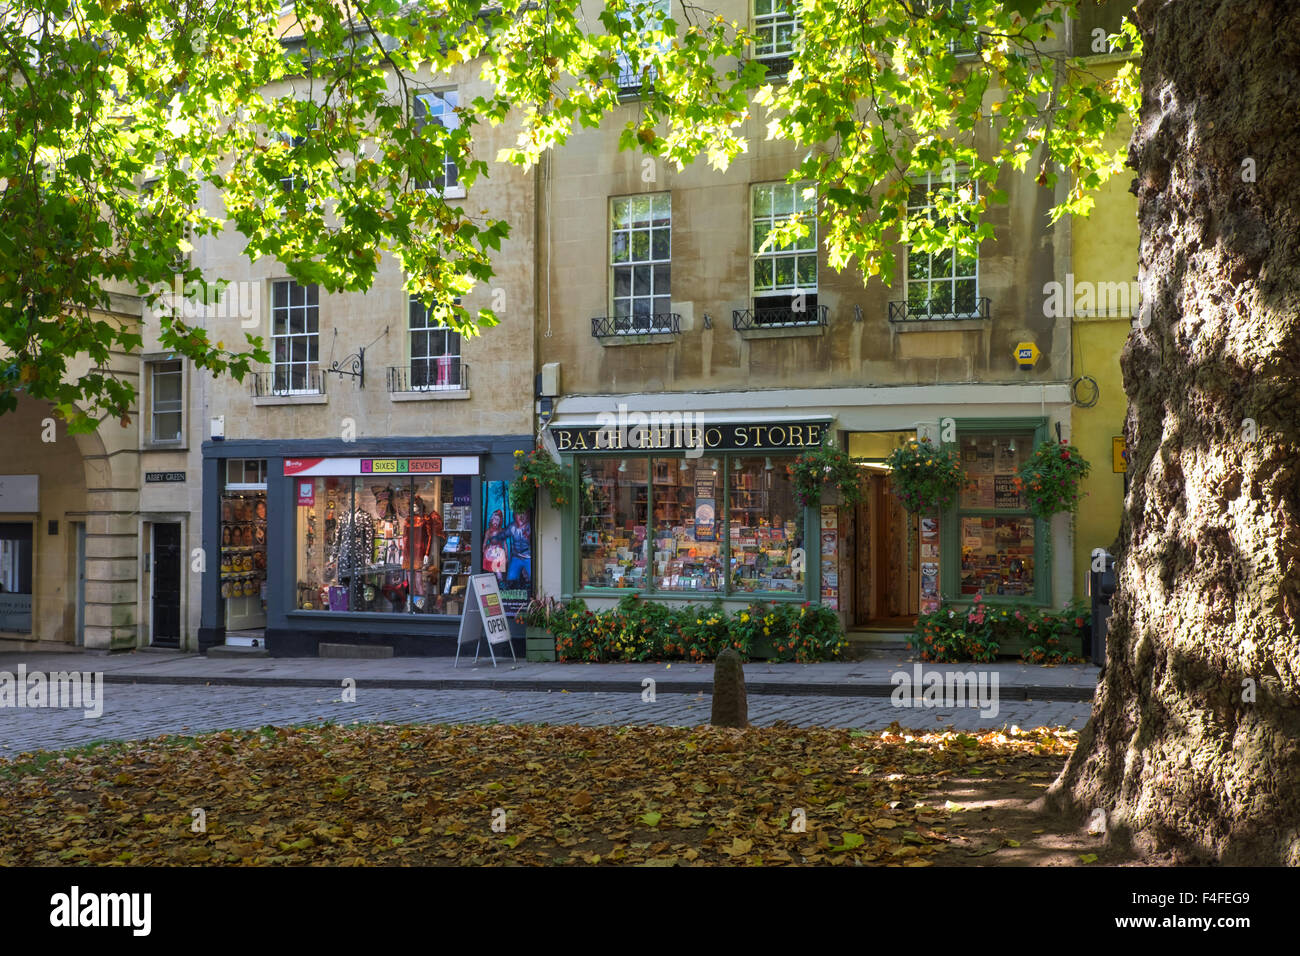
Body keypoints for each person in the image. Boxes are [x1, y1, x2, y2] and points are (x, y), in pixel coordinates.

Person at [483, 509, 507, 574]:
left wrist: (506, 554)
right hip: (490, 551)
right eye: (494, 519)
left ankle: (500, 580)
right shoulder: (488, 531)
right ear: (491, 519)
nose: (495, 521)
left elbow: (504, 544)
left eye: (498, 520)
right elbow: (485, 542)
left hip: (498, 551)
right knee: (490, 569)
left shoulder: (501, 531)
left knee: (498, 569)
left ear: (500, 522)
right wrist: (483, 551)